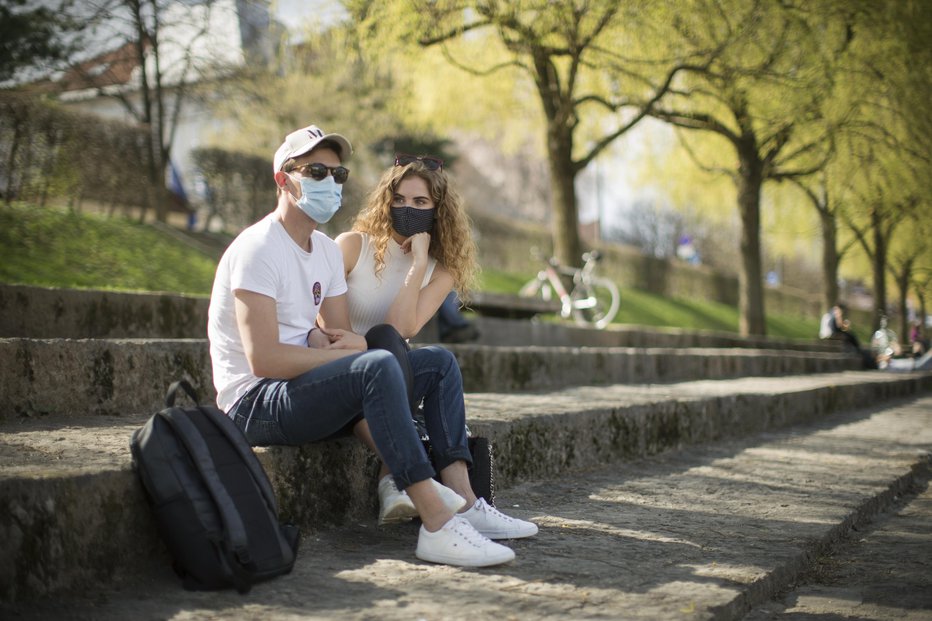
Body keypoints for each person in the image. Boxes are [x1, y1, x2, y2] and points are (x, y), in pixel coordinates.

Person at [207, 125, 529, 568]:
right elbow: (264, 358)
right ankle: (436, 522)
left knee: (434, 362)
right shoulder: (258, 248)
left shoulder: (320, 249)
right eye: (316, 171)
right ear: (284, 179)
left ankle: (461, 498)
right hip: (255, 401)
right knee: (375, 362)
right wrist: (340, 353)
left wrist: (329, 343)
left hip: (302, 389)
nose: (330, 182)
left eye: (339, 175)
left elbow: (337, 334)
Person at [336, 154, 535, 539]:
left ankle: (468, 500)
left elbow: (405, 328)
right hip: (343, 374)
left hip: (390, 381)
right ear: (385, 201)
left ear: (438, 210)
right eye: (399, 199)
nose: (406, 208)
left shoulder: (440, 269)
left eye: (420, 203)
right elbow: (390, 330)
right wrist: (364, 341)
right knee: (383, 341)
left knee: (440, 361)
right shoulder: (351, 247)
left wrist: (419, 262)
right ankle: (394, 476)